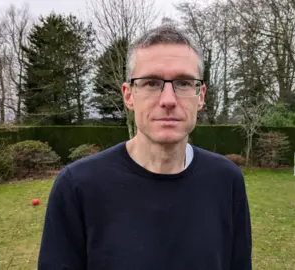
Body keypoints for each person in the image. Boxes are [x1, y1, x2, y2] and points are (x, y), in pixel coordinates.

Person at [37, 24, 252, 270]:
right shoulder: (77, 186)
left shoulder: (226, 180)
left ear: (200, 96)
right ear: (129, 95)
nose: (169, 100)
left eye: (183, 83)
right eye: (151, 83)